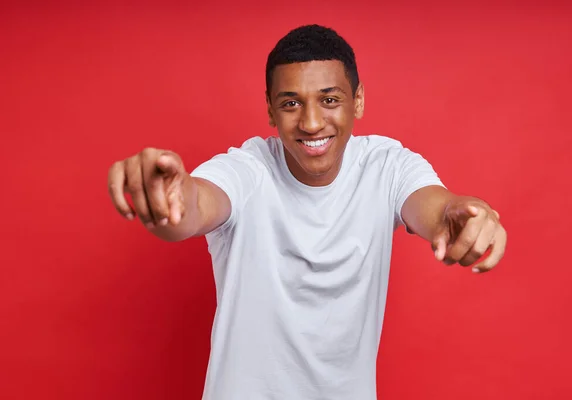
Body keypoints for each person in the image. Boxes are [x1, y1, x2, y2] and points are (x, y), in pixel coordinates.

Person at [107, 24, 506, 400]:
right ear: (269, 110)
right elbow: (193, 208)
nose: (312, 123)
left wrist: (458, 215)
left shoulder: (387, 166)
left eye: (329, 100)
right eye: (291, 103)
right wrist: (166, 201)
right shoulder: (248, 168)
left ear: (359, 100)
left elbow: (432, 205)